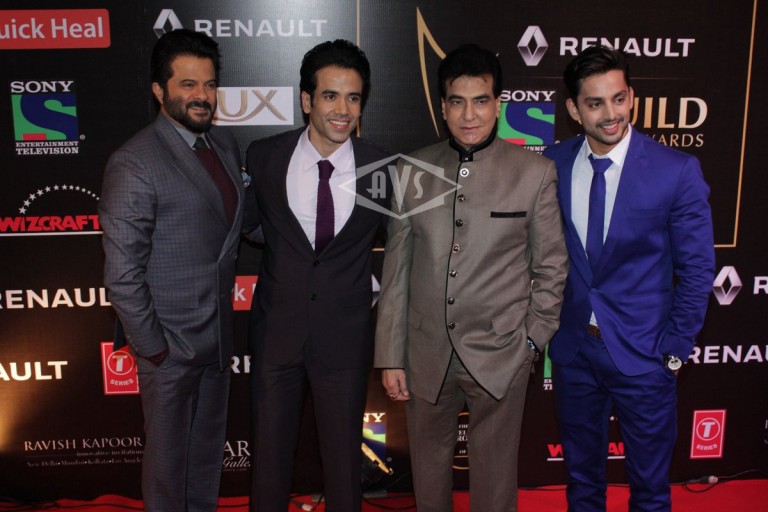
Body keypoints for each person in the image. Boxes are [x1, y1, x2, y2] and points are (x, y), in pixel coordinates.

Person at [374, 43, 569, 512]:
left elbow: (551, 267)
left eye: (480, 101)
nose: (468, 115)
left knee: (496, 484)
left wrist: (530, 341)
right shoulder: (412, 170)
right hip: (425, 354)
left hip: (502, 351)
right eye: (457, 102)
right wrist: (390, 355)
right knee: (428, 479)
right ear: (442, 106)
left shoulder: (534, 173)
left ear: (498, 104)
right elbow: (396, 271)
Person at [543, 45, 715, 511]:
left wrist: (675, 349)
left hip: (646, 355)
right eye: (595, 103)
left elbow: (697, 269)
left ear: (632, 97)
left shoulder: (675, 171)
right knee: (581, 485)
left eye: (619, 99)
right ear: (574, 109)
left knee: (650, 492)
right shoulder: (550, 165)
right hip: (574, 352)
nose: (611, 114)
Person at [243, 39, 391, 512]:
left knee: (345, 468)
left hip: (345, 339)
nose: (343, 110)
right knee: (268, 465)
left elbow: (404, 250)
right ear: (307, 100)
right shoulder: (264, 157)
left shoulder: (383, 169)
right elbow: (249, 226)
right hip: (276, 334)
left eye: (353, 97)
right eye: (330, 95)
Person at [99, 29, 244, 511]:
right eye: (187, 84)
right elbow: (123, 274)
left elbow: (237, 226)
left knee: (204, 462)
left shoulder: (223, 145)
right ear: (160, 91)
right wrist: (156, 350)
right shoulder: (135, 161)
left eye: (209, 84)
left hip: (217, 339)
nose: (202, 95)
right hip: (170, 349)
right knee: (167, 471)